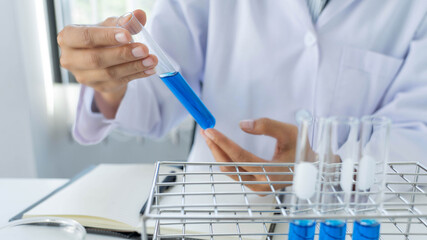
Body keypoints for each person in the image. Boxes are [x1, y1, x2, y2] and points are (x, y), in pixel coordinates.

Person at [58, 1, 427, 191]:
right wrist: (111, 79)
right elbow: (153, 101)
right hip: (216, 207)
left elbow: (416, 133)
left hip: (341, 213)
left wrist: (323, 164)